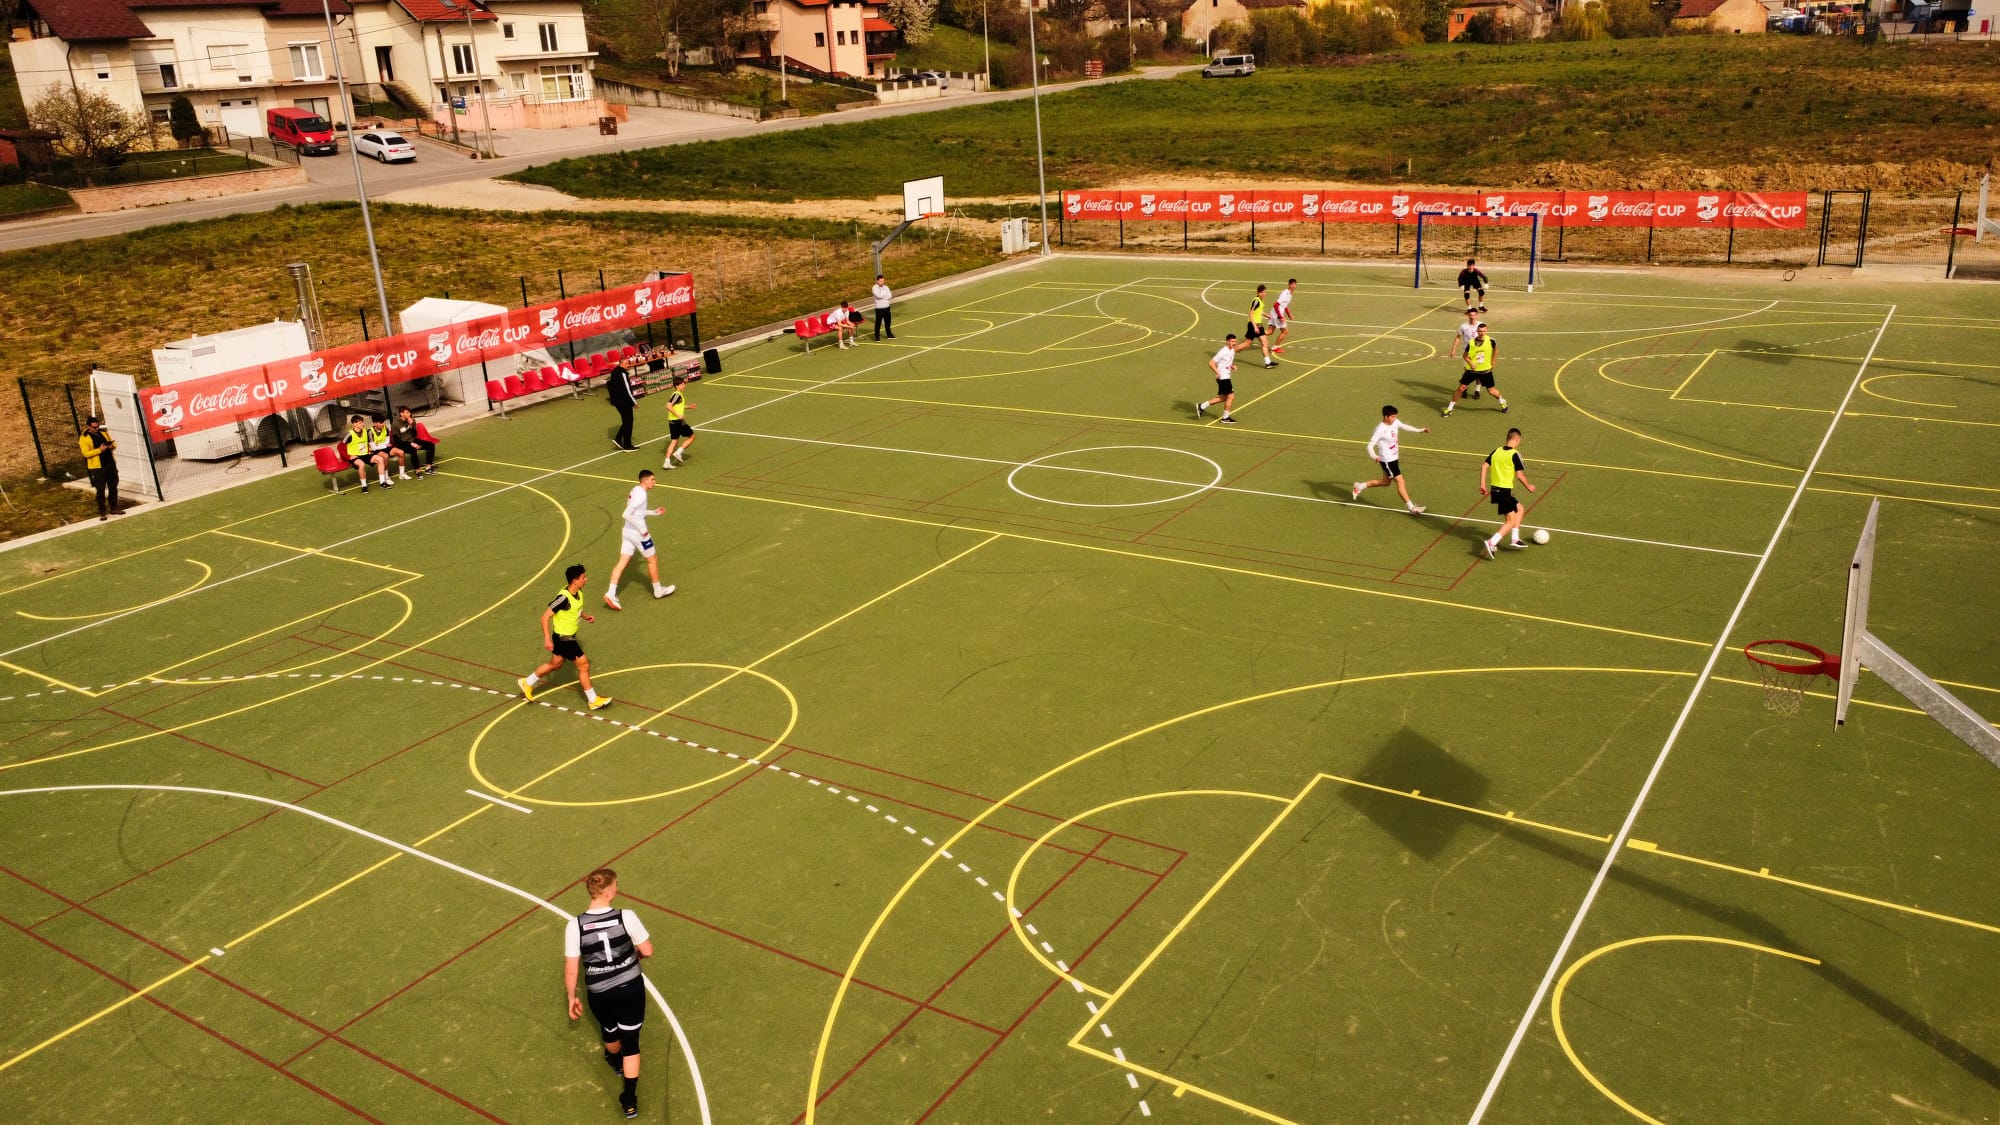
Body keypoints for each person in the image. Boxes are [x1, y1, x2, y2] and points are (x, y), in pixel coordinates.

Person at [564, 867, 654, 1121]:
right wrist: (632, 957)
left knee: (609, 1030)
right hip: (630, 988)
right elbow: (647, 949)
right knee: (632, 1042)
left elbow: (572, 968)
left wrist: (572, 997)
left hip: (599, 992)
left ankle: (614, 1060)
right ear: (609, 891)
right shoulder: (626, 916)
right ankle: (630, 1100)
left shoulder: (576, 926)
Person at [519, 564, 611, 710]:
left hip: (567, 637)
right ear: (574, 580)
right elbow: (544, 617)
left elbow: (575, 609)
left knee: (555, 664)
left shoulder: (578, 592)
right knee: (584, 665)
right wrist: (547, 639)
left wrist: (586, 617)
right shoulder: (563, 598)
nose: (586, 580)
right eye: (583, 578)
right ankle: (593, 700)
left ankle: (527, 682)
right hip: (564, 639)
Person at [604, 470, 676, 610]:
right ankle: (658, 591)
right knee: (652, 559)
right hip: (639, 535)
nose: (654, 482)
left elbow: (637, 511)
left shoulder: (636, 490)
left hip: (627, 533)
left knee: (622, 562)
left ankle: (610, 593)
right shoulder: (641, 495)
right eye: (653, 479)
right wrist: (641, 529)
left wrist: (654, 512)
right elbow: (626, 514)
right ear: (645, 480)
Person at [1353, 405, 1430, 515]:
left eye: (1395, 416)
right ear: (1385, 416)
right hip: (1387, 460)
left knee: (1386, 482)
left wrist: (1420, 430)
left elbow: (1403, 426)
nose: (1394, 419)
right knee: (1400, 482)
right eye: (1392, 417)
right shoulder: (1380, 429)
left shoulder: (1395, 422)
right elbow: (1370, 445)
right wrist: (1374, 456)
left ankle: (1359, 486)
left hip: (1394, 458)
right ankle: (1412, 508)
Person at [1478, 427, 1537, 558]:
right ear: (1517, 439)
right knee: (1510, 520)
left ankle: (1515, 539)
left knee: (1520, 509)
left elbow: (1484, 466)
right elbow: (1519, 474)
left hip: (1496, 490)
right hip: (1504, 491)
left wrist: (1482, 484)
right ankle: (1491, 542)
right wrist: (1529, 486)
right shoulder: (1514, 454)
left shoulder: (1497, 451)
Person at [1443, 322, 1507, 416]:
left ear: (1486, 331)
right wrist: (1471, 363)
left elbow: (1495, 350)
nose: (1482, 333)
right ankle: (1449, 408)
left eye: (1484, 331)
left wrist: (1493, 362)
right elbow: (1465, 356)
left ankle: (1502, 401)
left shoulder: (1491, 341)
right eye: (1480, 331)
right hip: (1472, 371)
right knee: (1461, 388)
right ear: (1477, 331)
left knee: (1491, 391)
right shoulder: (1471, 343)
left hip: (1486, 371)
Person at [1196, 333, 1248, 424]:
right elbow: (1211, 363)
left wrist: (1232, 366)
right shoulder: (1223, 351)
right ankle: (1225, 417)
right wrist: (1217, 373)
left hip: (1225, 376)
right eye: (1232, 341)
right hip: (1223, 377)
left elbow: (1225, 362)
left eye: (1235, 341)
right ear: (1227, 341)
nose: (1234, 343)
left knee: (1223, 397)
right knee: (1231, 396)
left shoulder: (1231, 350)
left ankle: (1202, 406)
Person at [78, 416, 123, 521]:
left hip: (110, 464)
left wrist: (112, 446)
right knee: (100, 489)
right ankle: (102, 512)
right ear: (88, 426)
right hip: (97, 467)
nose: (96, 429)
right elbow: (85, 453)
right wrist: (99, 450)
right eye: (94, 427)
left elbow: (113, 443)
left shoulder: (103, 432)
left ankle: (114, 508)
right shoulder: (84, 438)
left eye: (97, 426)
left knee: (113, 486)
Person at [342, 414, 389, 492]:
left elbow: (368, 442)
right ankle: (364, 486)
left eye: (362, 422)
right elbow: (340, 447)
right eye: (360, 423)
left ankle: (382, 482)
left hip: (366, 454)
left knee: (380, 459)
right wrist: (348, 456)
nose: (363, 424)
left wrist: (370, 449)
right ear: (354, 424)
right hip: (356, 456)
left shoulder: (365, 431)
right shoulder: (349, 434)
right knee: (361, 464)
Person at [661, 374, 695, 469]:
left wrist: (689, 407)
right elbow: (668, 406)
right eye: (682, 384)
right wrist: (679, 415)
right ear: (677, 386)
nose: (684, 386)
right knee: (692, 436)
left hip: (672, 421)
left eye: (684, 384)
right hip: (678, 421)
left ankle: (667, 462)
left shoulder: (677, 395)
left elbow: (677, 405)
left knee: (674, 441)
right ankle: (678, 452)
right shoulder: (677, 394)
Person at [607, 354, 640, 452]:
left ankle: (618, 439)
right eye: (626, 364)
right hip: (623, 402)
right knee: (628, 421)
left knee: (627, 421)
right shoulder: (622, 374)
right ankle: (627, 445)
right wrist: (634, 402)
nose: (628, 365)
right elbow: (626, 390)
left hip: (617, 401)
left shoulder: (615, 371)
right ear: (621, 364)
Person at [391, 407, 437, 475]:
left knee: (430, 445)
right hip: (402, 443)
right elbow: (397, 440)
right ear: (401, 413)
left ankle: (428, 467)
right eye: (407, 412)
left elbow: (414, 434)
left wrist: (411, 425)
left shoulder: (412, 420)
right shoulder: (395, 424)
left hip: (412, 440)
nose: (409, 414)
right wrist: (411, 444)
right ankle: (417, 470)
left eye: (409, 412)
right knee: (413, 450)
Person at [1452, 308, 1482, 400]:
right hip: (1467, 354)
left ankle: (1477, 390)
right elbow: (1458, 338)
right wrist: (1453, 350)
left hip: (1479, 354)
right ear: (1468, 315)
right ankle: (1464, 389)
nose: (1472, 317)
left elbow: (1485, 338)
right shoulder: (1463, 326)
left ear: (1477, 315)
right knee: (1467, 373)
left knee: (1479, 374)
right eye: (1471, 315)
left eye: (1474, 315)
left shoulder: (1480, 325)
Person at [369, 414, 409, 482]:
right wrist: (383, 445)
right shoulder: (370, 432)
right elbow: (373, 448)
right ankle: (386, 477)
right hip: (375, 451)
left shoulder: (386, 429)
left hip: (384, 447)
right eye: (381, 423)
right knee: (385, 456)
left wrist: (380, 445)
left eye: (383, 422)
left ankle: (402, 474)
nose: (383, 424)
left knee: (401, 452)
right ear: (375, 423)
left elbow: (387, 442)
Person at [1245, 284, 1276, 368]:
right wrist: (1255, 326)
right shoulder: (1256, 300)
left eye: (1265, 292)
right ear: (1258, 292)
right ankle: (1230, 352)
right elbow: (1251, 314)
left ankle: (1268, 363)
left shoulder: (1260, 301)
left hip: (1258, 324)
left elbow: (1259, 311)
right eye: (1262, 292)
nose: (1263, 294)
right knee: (1248, 344)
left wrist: (1268, 316)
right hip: (1254, 324)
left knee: (1262, 342)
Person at [1270, 279, 1297, 354]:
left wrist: (1289, 315)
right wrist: (1281, 316)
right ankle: (1275, 347)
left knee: (1270, 331)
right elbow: (1276, 305)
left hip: (1274, 313)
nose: (1294, 286)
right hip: (1277, 314)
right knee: (1285, 331)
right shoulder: (1285, 294)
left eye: (1295, 284)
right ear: (1289, 285)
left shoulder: (1290, 294)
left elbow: (1284, 306)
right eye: (1292, 284)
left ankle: (1255, 333)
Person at [871, 275, 895, 340]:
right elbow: (879, 296)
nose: (882, 282)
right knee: (878, 322)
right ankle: (877, 337)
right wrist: (884, 294)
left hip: (887, 307)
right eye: (881, 281)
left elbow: (890, 296)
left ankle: (889, 335)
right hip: (879, 308)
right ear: (877, 281)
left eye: (883, 281)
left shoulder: (886, 287)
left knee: (888, 322)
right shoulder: (874, 288)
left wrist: (883, 296)